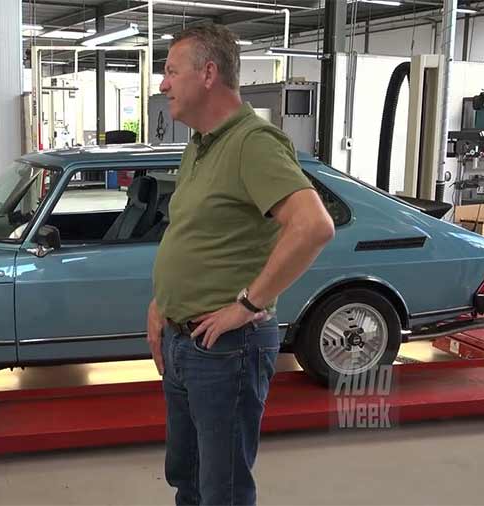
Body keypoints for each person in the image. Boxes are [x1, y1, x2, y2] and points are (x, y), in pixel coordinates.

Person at [148, 26, 335, 505]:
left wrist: (248, 304)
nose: (163, 84)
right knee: (187, 478)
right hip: (183, 340)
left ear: (208, 74)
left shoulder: (254, 143)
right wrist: (162, 303)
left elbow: (313, 225)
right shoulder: (200, 144)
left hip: (226, 348)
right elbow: (193, 231)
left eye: (171, 71)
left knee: (222, 490)